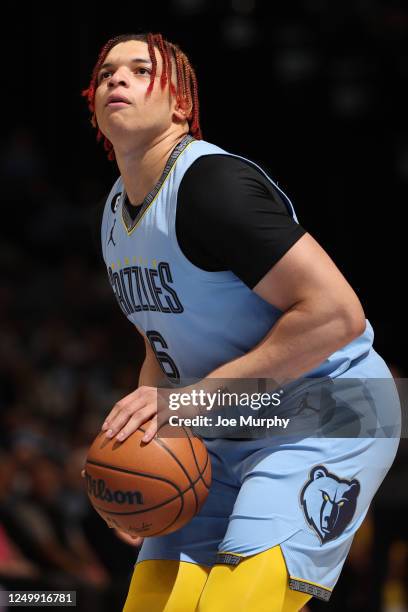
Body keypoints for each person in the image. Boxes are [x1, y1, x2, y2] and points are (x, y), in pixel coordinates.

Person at [81, 32, 401, 611]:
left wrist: (189, 405)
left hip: (328, 407)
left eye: (138, 69)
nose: (115, 80)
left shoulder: (212, 186)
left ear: (181, 104)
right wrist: (138, 447)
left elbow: (338, 314)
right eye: (105, 73)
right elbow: (162, 345)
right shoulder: (112, 215)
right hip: (221, 423)